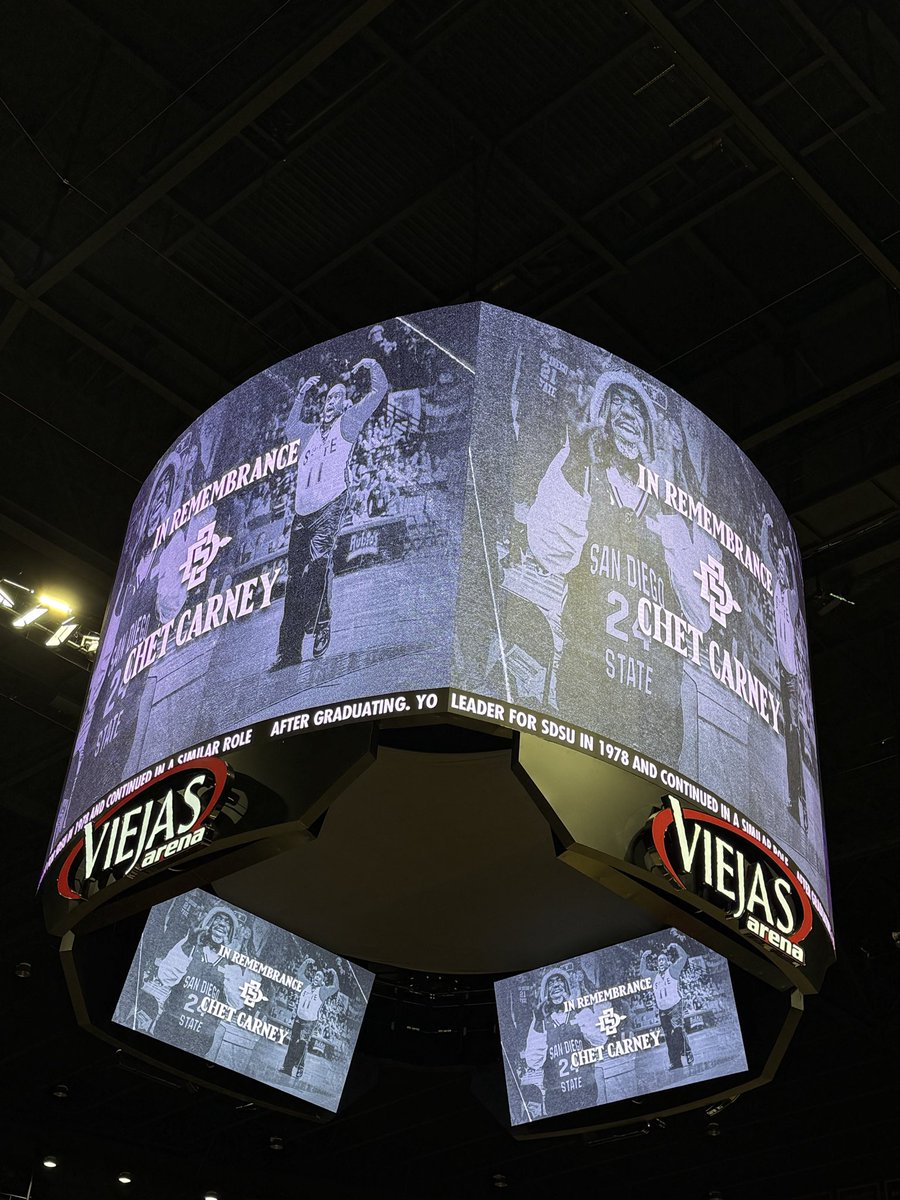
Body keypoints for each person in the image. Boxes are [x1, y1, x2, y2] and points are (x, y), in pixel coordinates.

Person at [526, 367, 710, 765]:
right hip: (588, 690)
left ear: (649, 432)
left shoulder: (669, 503)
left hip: (657, 712)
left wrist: (669, 507)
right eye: (618, 403)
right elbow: (549, 551)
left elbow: (702, 613)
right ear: (601, 415)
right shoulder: (580, 465)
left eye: (637, 407)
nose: (628, 412)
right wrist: (577, 459)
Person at [271, 357, 389, 668]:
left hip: (331, 504)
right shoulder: (308, 432)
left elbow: (378, 391)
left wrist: (372, 365)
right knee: (294, 580)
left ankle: (322, 618)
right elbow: (288, 429)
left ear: (345, 403)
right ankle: (288, 651)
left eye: (336, 396)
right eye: (327, 397)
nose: (329, 401)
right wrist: (301, 395)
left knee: (319, 563)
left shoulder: (348, 422)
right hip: (302, 513)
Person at [149, 908, 236, 1057]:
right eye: (218, 919)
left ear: (231, 933)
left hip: (201, 1036)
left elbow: (235, 1002)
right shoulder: (190, 944)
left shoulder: (231, 963)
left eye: (227, 922)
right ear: (208, 923)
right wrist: (189, 943)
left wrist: (232, 967)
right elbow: (165, 977)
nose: (222, 924)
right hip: (171, 1023)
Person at [522, 967, 607, 1119]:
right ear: (545, 992)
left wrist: (579, 1010)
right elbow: (533, 1061)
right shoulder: (540, 1021)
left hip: (585, 1089)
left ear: (567, 987)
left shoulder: (581, 1011)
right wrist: (539, 1022)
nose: (556, 985)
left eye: (560, 981)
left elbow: (600, 1040)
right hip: (556, 1095)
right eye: (551, 983)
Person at [280, 957, 340, 1079]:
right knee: (292, 1042)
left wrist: (334, 974)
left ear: (322, 981)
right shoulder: (306, 984)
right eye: (316, 975)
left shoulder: (323, 991)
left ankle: (300, 1066)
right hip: (299, 1018)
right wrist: (306, 962)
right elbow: (299, 973)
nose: (317, 977)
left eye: (320, 977)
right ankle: (287, 1067)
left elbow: (335, 987)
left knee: (302, 1043)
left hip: (310, 1022)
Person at [640, 941, 693, 1070]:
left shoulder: (673, 970)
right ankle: (675, 1062)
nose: (661, 962)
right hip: (662, 1010)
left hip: (675, 1006)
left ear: (668, 962)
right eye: (659, 960)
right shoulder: (654, 976)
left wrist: (676, 946)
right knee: (668, 1036)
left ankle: (687, 1051)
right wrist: (643, 957)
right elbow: (643, 972)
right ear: (657, 964)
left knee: (677, 1031)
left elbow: (684, 957)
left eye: (663, 959)